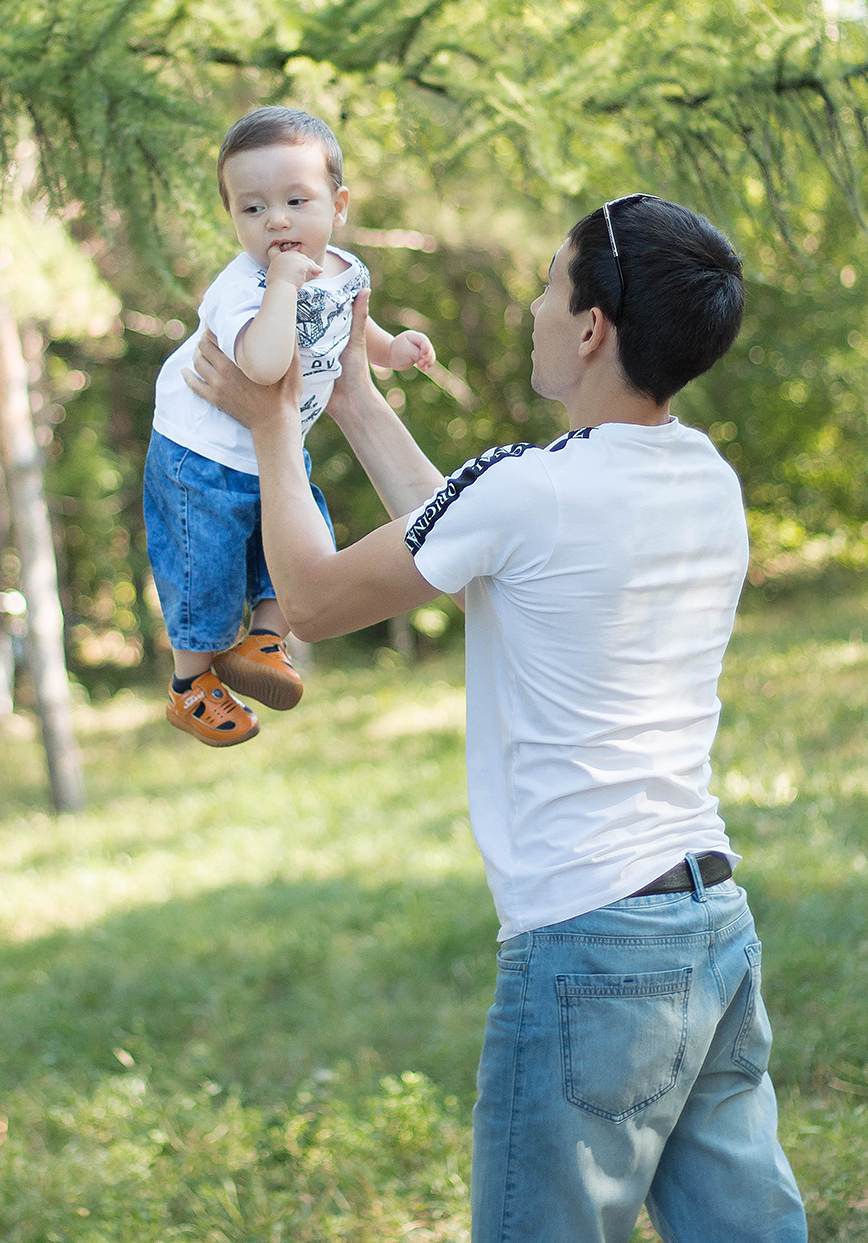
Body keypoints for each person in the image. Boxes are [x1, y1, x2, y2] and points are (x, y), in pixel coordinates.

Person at [183, 193, 807, 1242]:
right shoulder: (706, 477)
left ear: (592, 326)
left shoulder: (532, 491)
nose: (530, 305)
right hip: (710, 925)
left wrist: (269, 422)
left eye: (547, 286)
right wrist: (352, 400)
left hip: (591, 944)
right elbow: (479, 548)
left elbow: (315, 601)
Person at [145, 105, 435, 747]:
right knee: (205, 567)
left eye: (295, 200)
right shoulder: (243, 289)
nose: (275, 220)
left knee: (309, 538)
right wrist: (279, 285)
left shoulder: (344, 268)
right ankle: (190, 683)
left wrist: (393, 350)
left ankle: (265, 642)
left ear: (339, 206)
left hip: (273, 442)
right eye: (252, 209)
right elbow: (265, 362)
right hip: (202, 454)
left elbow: (351, 330)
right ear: (233, 220)